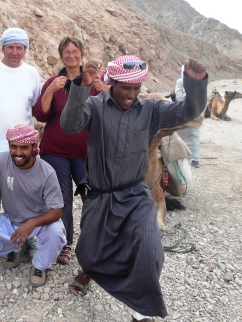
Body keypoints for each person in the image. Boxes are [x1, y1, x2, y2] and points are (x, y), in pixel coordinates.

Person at [60, 55, 208, 320]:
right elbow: (69, 125)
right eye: (124, 88)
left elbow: (188, 111)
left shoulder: (151, 110)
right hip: (101, 196)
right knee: (89, 253)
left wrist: (195, 83)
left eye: (136, 88)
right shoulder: (94, 106)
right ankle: (90, 272)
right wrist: (81, 85)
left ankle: (139, 311)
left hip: (136, 194)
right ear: (112, 82)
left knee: (151, 252)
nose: (130, 94)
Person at [32, 36, 102, 265]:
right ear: (61, 55)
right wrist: (50, 90)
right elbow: (41, 114)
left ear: (82, 53)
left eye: (75, 51)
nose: (71, 56)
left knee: (90, 197)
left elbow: (106, 112)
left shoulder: (93, 81)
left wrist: (103, 89)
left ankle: (92, 244)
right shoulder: (55, 81)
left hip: (85, 152)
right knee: (61, 200)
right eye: (66, 52)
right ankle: (64, 243)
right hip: (56, 151)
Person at [0, 124, 66, 287]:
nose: (18, 153)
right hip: (11, 220)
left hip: (39, 222)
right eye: (13, 147)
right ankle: (16, 248)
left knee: (57, 232)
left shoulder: (46, 172)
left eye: (24, 148)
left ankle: (40, 265)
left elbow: (57, 211)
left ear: (34, 147)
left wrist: (33, 222)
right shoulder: (0, 161)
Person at [0, 28, 42, 220]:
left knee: (24, 197)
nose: (15, 52)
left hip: (23, 149)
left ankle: (25, 244)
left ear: (25, 50)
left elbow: (34, 106)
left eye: (19, 48)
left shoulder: (31, 74)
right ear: (3, 48)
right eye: (10, 47)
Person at [175, 65, 202, 168]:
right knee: (195, 135)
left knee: (179, 134)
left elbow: (179, 97)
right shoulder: (199, 81)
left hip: (183, 111)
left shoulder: (180, 81)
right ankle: (195, 159)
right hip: (196, 111)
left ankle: (181, 157)